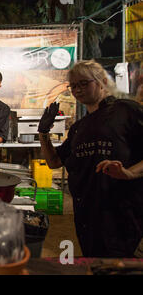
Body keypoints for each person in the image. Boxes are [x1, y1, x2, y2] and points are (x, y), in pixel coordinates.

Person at [38, 60, 143, 258]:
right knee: (94, 262)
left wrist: (129, 173)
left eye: (84, 83)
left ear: (102, 81)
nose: (78, 89)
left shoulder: (126, 111)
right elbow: (54, 162)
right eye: (74, 86)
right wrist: (43, 133)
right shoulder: (80, 127)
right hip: (87, 215)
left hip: (123, 213)